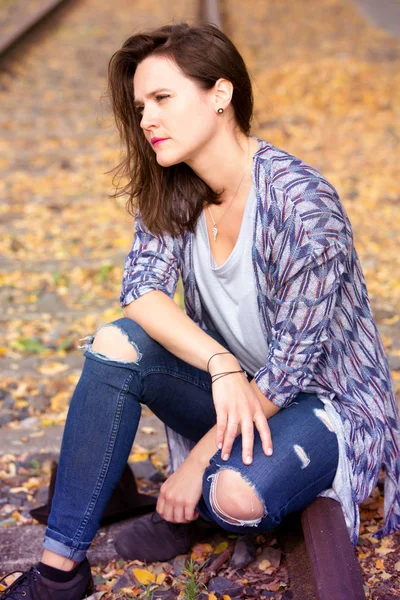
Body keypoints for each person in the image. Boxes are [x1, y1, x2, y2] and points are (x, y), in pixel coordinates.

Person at [1, 21, 399, 600]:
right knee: (116, 343)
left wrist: (193, 466)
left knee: (233, 496)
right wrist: (220, 364)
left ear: (220, 94)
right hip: (232, 390)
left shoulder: (301, 205)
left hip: (320, 401)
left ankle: (209, 498)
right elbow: (141, 294)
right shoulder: (171, 187)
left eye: (163, 98)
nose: (147, 120)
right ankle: (60, 570)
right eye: (140, 107)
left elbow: (289, 375)